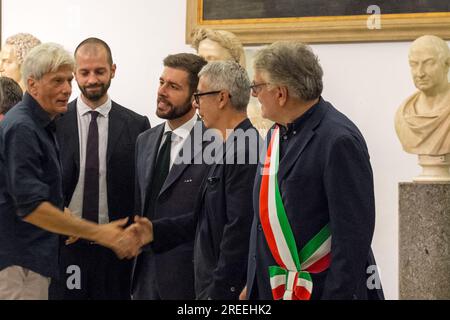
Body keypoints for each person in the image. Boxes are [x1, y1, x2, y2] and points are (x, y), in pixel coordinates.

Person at [243, 41, 384, 300]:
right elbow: (264, 220)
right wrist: (252, 283)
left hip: (322, 291)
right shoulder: (276, 132)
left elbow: (352, 238)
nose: (254, 94)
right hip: (272, 288)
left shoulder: (338, 140)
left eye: (257, 87)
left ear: (281, 93)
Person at [0, 42, 140, 300]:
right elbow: (31, 205)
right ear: (32, 85)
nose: (67, 89)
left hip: (37, 261)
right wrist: (99, 232)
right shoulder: (23, 127)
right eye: (57, 81)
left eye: (67, 80)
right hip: (20, 263)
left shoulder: (43, 124)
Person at [131, 60, 261, 300]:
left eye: (199, 95)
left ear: (222, 98)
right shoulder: (230, 144)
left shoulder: (245, 149)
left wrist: (216, 293)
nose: (196, 103)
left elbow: (237, 234)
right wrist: (155, 231)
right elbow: (205, 218)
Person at [48, 38, 150, 300]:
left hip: (116, 250)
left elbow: (141, 189)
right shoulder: (54, 122)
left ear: (113, 70)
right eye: (84, 72)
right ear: (74, 73)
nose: (92, 79)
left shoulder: (137, 125)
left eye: (99, 71)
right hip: (66, 248)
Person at [131, 53, 209, 300]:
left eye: (173, 86)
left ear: (195, 98)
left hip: (188, 278)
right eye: (161, 82)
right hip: (142, 275)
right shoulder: (145, 140)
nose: (162, 91)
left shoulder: (216, 143)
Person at [191, 28, 273, 134]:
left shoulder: (257, 114)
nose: (204, 67)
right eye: (201, 60)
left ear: (235, 65)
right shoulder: (194, 110)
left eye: (213, 61)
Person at [395, 35, 450, 156]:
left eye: (428, 63)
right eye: (414, 64)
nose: (420, 73)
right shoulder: (404, 114)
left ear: (446, 64)